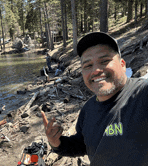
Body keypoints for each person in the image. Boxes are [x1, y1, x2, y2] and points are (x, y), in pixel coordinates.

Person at [41, 32, 148, 166]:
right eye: (88, 65)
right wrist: (57, 142)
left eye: (104, 61)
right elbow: (83, 146)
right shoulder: (88, 109)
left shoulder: (142, 94)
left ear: (122, 64)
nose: (96, 70)